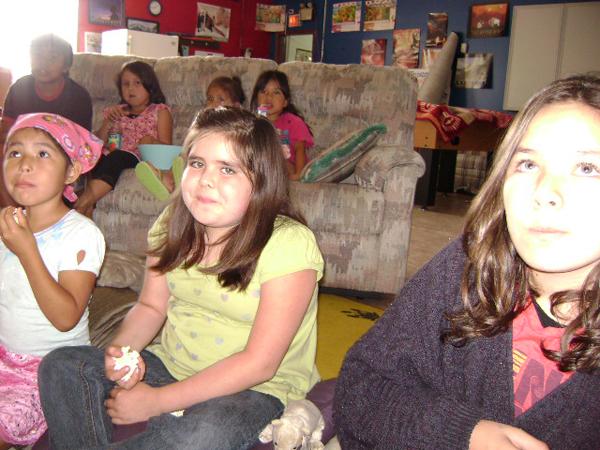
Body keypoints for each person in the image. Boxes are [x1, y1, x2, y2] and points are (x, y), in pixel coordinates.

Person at [333, 73, 600, 449]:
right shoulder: (467, 267)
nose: (544, 192)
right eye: (527, 164)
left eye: (587, 168)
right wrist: (463, 434)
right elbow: (361, 389)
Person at [38, 107, 324, 450]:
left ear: (262, 180)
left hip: (253, 388)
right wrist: (123, 352)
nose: (205, 179)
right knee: (61, 365)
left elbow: (260, 364)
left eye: (227, 169)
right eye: (197, 163)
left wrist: (158, 402)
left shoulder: (289, 243)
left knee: (202, 435)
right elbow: (150, 307)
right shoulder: (172, 222)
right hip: (171, 365)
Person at [0, 113, 105, 450]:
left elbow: (65, 317)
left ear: (71, 172)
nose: (24, 164)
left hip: (47, 374)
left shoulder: (81, 234)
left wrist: (27, 250)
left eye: (42, 153)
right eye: (15, 152)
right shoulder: (8, 225)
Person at [0, 33, 93, 207]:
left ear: (66, 66)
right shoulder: (19, 88)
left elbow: (78, 145)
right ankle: (13, 215)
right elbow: (5, 132)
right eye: (37, 55)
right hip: (21, 149)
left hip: (57, 156)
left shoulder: (78, 97)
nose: (43, 62)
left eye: (53, 57)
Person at [74, 60, 173, 218]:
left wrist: (148, 141)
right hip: (111, 156)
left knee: (118, 157)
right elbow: (96, 145)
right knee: (95, 159)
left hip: (137, 157)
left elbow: (166, 147)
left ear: (150, 86)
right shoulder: (116, 112)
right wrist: (108, 122)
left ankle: (83, 203)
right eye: (125, 84)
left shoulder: (160, 111)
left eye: (137, 83)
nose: (130, 88)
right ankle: (87, 210)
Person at [135, 75, 246, 200]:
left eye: (221, 100)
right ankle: (169, 180)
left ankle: (173, 184)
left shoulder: (235, 127)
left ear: (236, 106)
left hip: (211, 160)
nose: (213, 104)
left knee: (188, 158)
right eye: (210, 99)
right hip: (195, 157)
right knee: (182, 156)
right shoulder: (203, 122)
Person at [251, 70, 313, 181]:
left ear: (285, 102)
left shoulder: (294, 122)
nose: (268, 97)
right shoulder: (253, 122)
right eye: (264, 92)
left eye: (276, 93)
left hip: (288, 167)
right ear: (257, 98)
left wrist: (299, 174)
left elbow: (300, 150)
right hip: (262, 168)